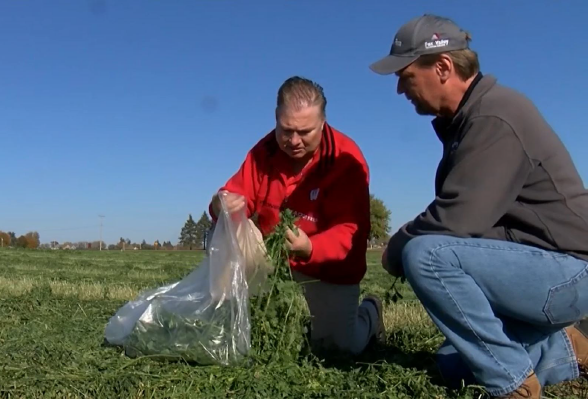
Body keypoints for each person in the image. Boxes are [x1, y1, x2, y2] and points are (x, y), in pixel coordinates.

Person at [369, 14, 588, 399]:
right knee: (454, 362)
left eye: (405, 76)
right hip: (545, 268)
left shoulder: (494, 115)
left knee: (426, 254)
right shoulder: (470, 119)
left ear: (442, 67)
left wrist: (399, 244)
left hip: (571, 272)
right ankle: (567, 348)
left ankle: (513, 385)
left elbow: (457, 220)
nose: (401, 90)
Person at [208, 76, 385, 356]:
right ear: (276, 119)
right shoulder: (263, 152)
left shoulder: (345, 159)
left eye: (305, 132)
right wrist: (221, 204)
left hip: (328, 268)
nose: (293, 141)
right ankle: (226, 314)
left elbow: (350, 230)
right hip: (273, 264)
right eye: (286, 130)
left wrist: (310, 248)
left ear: (323, 122)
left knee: (337, 348)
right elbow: (232, 194)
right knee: (229, 229)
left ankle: (371, 313)